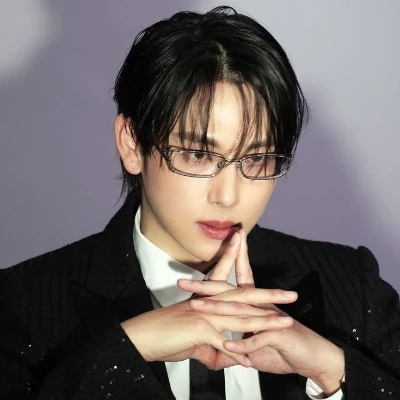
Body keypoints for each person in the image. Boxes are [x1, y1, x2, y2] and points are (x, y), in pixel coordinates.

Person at [0, 5, 399, 400]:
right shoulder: (24, 303)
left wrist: (333, 372)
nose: (227, 196)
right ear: (132, 144)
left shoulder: (353, 286)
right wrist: (126, 350)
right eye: (198, 155)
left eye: (257, 159)